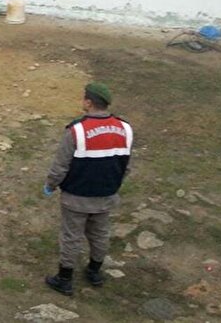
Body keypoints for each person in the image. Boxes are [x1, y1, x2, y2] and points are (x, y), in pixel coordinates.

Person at [43, 82, 133, 296]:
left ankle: (64, 279)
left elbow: (60, 166)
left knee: (71, 237)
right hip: (106, 196)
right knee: (100, 234)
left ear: (89, 102)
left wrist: (50, 185)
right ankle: (94, 272)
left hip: (76, 197)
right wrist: (113, 185)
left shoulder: (76, 130)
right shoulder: (125, 128)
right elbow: (126, 166)